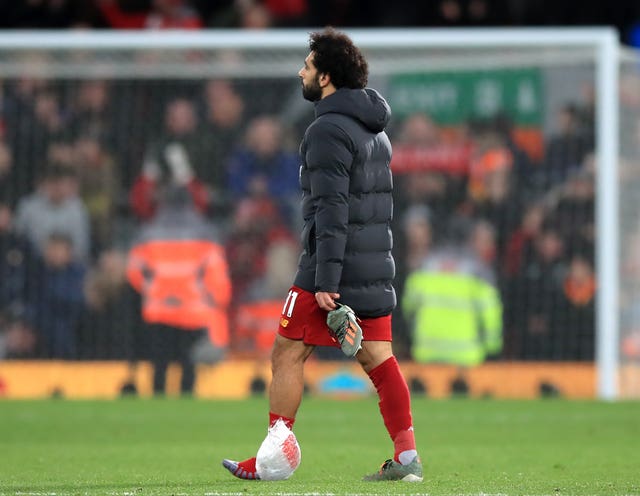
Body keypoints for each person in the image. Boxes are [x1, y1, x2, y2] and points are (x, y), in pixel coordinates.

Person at [222, 28, 422, 482]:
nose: (301, 72)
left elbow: (332, 210)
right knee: (378, 359)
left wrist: (327, 279)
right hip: (374, 266)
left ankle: (272, 460)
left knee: (287, 352)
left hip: (329, 268)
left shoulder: (326, 130)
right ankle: (407, 456)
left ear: (326, 76)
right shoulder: (376, 131)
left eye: (308, 66)